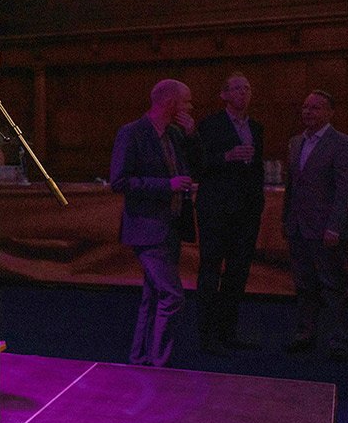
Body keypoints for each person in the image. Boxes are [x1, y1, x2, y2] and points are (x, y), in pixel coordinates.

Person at [110, 79, 197, 368]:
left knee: (152, 297)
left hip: (170, 226)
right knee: (172, 296)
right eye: (186, 101)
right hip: (146, 229)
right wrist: (167, 185)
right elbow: (119, 181)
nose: (190, 107)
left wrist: (183, 184)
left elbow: (193, 166)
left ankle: (140, 359)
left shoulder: (174, 135)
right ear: (170, 102)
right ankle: (160, 363)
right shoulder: (132, 133)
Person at [282, 90, 348, 361]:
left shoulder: (342, 144)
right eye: (305, 107)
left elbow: (346, 190)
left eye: (315, 108)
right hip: (298, 227)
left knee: (332, 285)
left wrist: (335, 226)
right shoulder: (295, 143)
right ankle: (305, 333)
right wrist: (286, 220)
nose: (307, 112)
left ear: (329, 112)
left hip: (326, 229)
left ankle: (339, 339)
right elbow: (292, 187)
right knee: (303, 285)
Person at [194, 73, 265, 354]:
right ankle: (207, 335)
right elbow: (197, 163)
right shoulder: (210, 124)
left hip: (246, 212)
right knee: (210, 271)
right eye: (237, 88)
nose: (243, 93)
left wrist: (257, 205)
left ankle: (228, 332)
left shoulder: (256, 127)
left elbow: (257, 168)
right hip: (216, 209)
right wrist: (226, 156)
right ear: (223, 94)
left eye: (247, 88)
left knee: (238, 273)